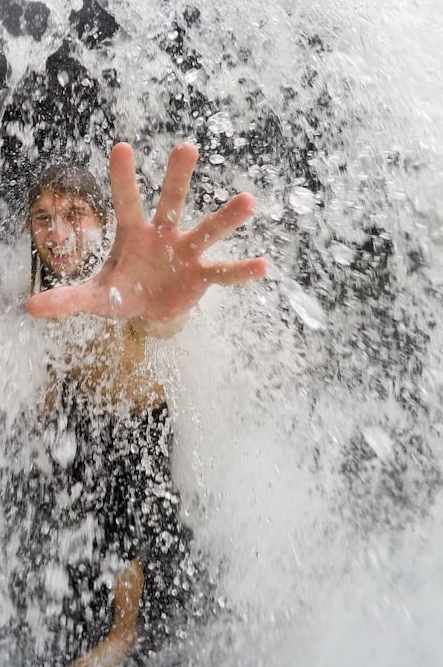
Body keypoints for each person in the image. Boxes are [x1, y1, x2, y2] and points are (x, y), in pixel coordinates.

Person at [21, 142, 267, 666]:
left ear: (103, 220)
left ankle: (122, 633)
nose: (57, 233)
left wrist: (167, 311)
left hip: (136, 429)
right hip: (81, 416)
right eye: (43, 219)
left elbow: (158, 324)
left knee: (122, 510)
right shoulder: (46, 286)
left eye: (72, 215)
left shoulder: (127, 285)